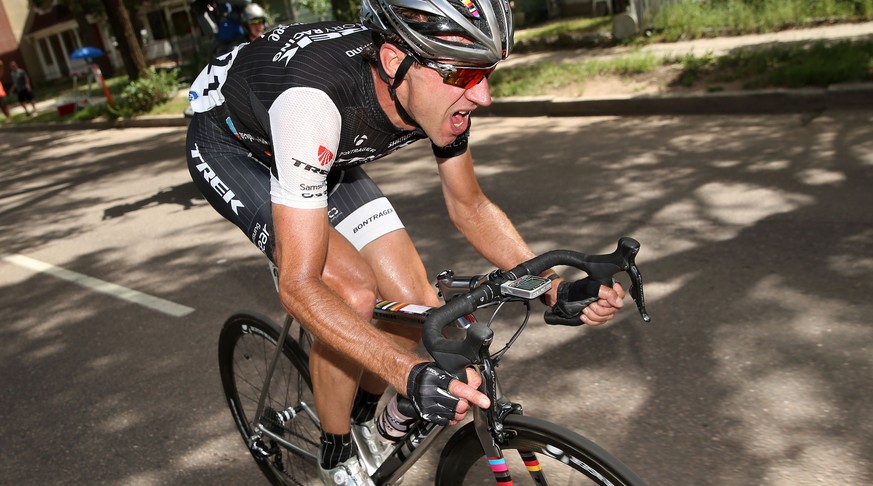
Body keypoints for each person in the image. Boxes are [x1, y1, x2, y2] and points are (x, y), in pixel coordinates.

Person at [185, 1, 625, 484]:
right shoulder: (314, 103)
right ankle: (337, 454)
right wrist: (407, 372)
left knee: (420, 305)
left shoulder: (434, 83)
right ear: (395, 61)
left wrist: (552, 287)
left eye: (487, 72)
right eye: (464, 75)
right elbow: (299, 285)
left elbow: (470, 207)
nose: (484, 97)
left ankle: (367, 414)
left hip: (319, 153)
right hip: (235, 144)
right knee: (350, 293)